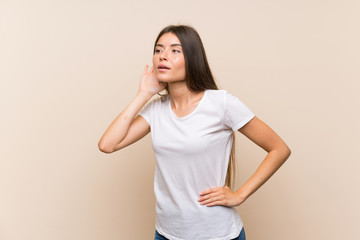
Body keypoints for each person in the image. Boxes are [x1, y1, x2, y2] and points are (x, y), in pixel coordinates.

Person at [98, 25, 291, 240]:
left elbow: (279, 149)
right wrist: (143, 94)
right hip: (166, 234)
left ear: (192, 58)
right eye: (158, 50)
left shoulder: (221, 103)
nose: (163, 56)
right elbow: (107, 145)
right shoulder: (155, 109)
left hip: (217, 234)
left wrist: (240, 195)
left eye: (174, 50)